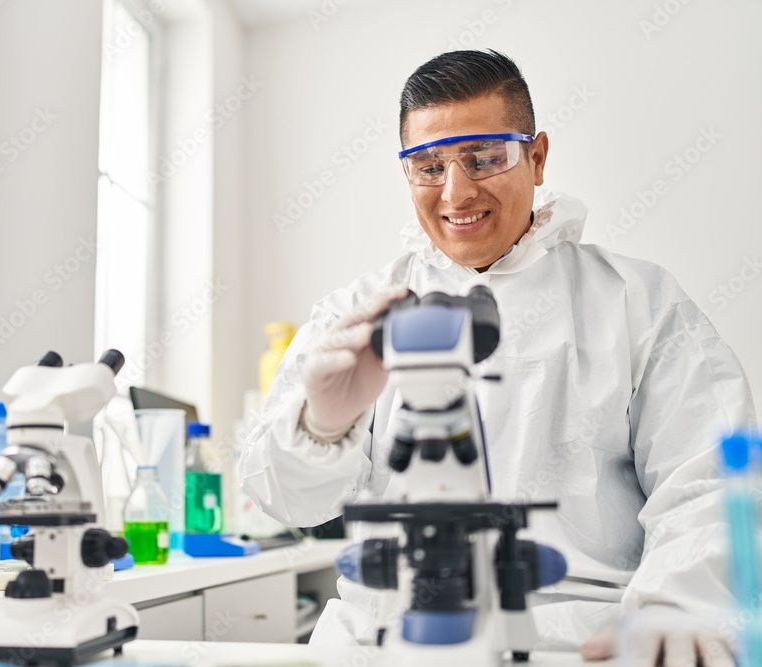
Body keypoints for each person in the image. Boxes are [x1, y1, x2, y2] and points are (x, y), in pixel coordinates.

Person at [239, 50, 755, 664]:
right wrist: (320, 428)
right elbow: (288, 502)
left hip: (576, 644)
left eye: (484, 157)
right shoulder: (359, 315)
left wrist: (673, 610)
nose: (456, 191)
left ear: (536, 158)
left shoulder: (637, 303)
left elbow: (708, 482)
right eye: (428, 165)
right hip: (386, 643)